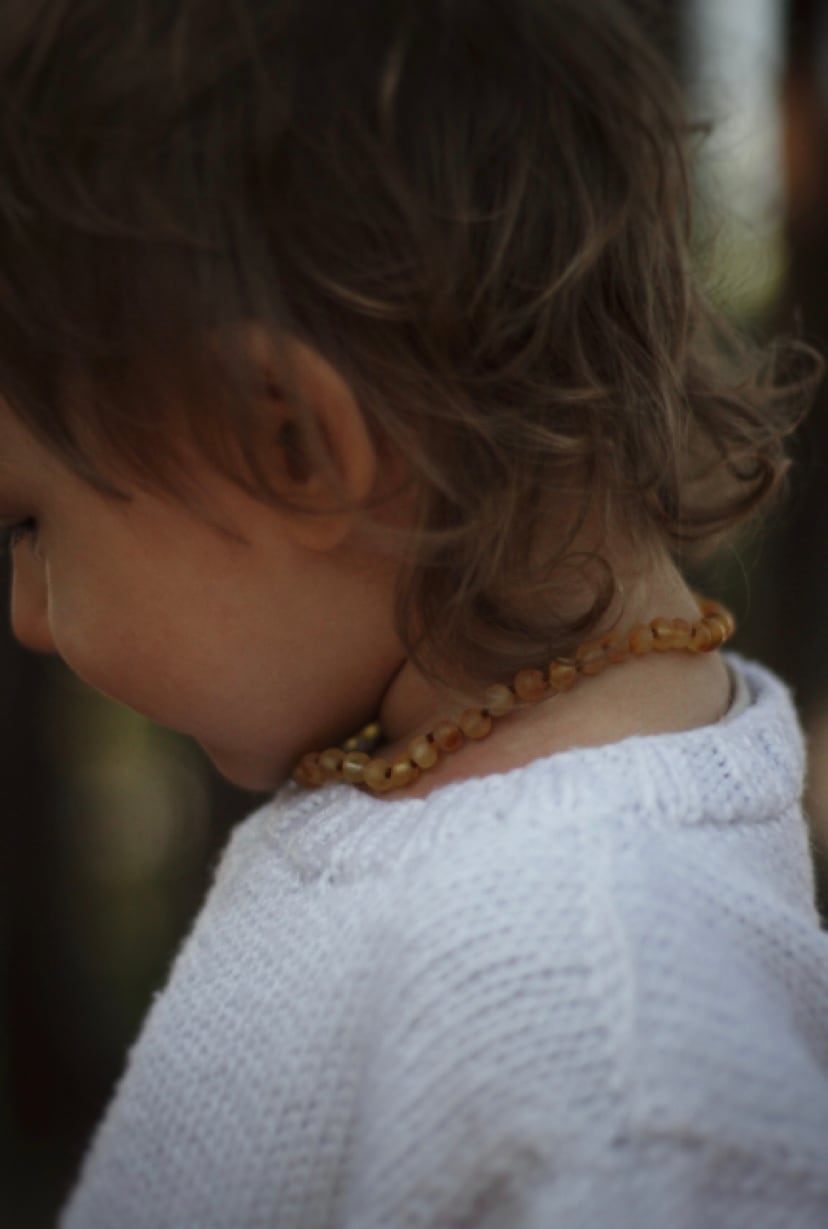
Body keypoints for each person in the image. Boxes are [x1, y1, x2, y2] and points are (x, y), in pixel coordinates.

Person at [1, 0, 827, 1225]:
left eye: (30, 525)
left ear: (284, 437)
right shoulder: (443, 789)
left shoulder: (611, 1050)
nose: (24, 614)